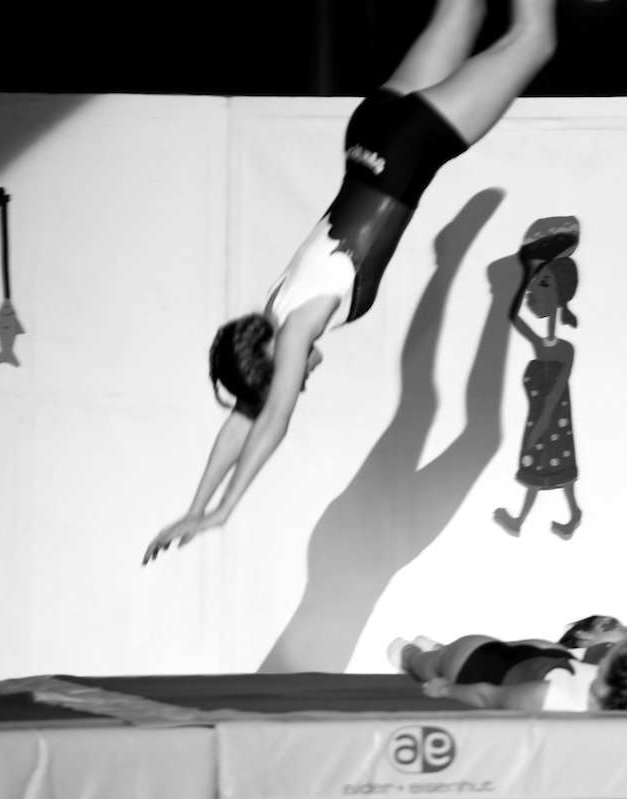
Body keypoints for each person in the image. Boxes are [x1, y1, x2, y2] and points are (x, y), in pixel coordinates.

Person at [144, 0, 561, 564]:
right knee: (461, 11)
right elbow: (245, 419)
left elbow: (271, 420)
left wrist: (223, 510)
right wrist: (196, 506)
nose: (301, 380)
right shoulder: (277, 305)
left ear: (272, 360)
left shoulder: (299, 324)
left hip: (408, 146)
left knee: (534, 37)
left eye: (290, 379)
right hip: (369, 134)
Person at [493, 217, 583, 540]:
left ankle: (556, 516)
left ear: (559, 294)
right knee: (544, 470)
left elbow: (557, 391)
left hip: (550, 421)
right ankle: (563, 516)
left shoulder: (563, 350)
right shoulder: (541, 344)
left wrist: (541, 424)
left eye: (543, 283)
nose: (535, 287)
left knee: (545, 468)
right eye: (536, 282)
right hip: (541, 421)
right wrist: (525, 275)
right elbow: (513, 316)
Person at [391, 632, 627, 711]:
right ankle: (417, 653)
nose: (606, 656)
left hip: (486, 662)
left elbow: (488, 696)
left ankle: (415, 654)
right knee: (427, 662)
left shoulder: (550, 697)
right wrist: (442, 687)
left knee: (429, 663)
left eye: (610, 657)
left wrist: (444, 689)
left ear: (604, 685)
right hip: (547, 658)